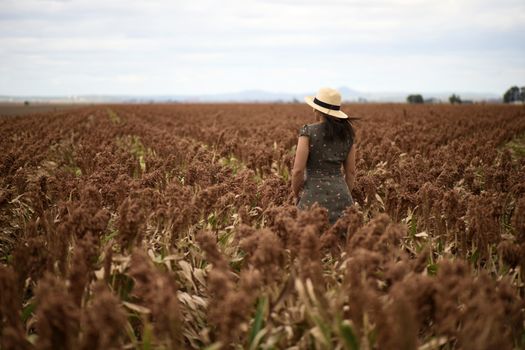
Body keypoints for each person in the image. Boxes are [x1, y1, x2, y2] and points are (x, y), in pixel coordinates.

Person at [292, 87, 357, 224]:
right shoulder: (348, 135)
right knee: (342, 243)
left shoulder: (308, 132)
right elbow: (351, 173)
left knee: (308, 241)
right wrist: (344, 197)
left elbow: (298, 170)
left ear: (317, 110)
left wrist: (297, 194)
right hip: (342, 198)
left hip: (312, 199)